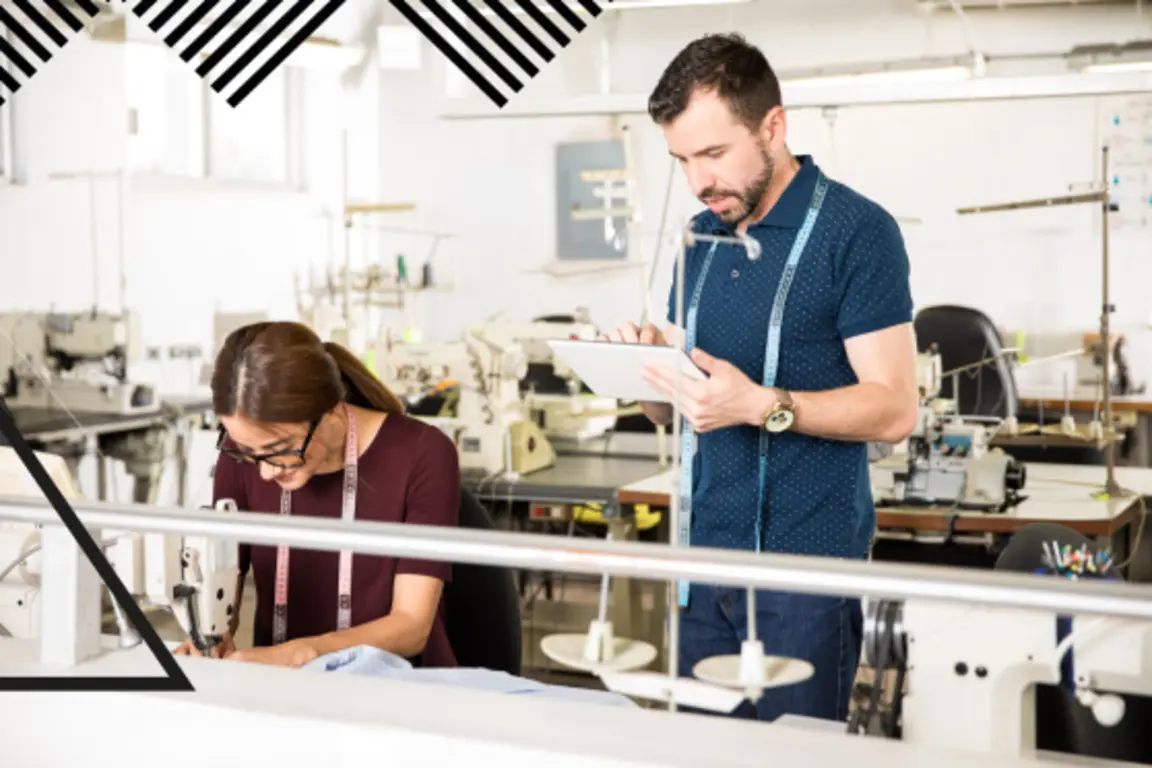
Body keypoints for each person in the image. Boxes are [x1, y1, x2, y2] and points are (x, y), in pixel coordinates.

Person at [604, 33, 919, 723]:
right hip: (701, 566)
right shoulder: (701, 237)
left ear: (773, 127)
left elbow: (896, 410)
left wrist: (763, 405)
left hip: (804, 574)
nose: (697, 181)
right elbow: (685, 410)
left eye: (713, 154)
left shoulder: (855, 232)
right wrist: (645, 373)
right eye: (681, 160)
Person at [174, 321, 461, 669]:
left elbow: (412, 626)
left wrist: (306, 653)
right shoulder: (244, 454)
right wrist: (211, 637)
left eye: (280, 449)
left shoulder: (423, 453)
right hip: (284, 683)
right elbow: (225, 581)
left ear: (330, 413)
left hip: (399, 684)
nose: (264, 471)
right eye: (249, 452)